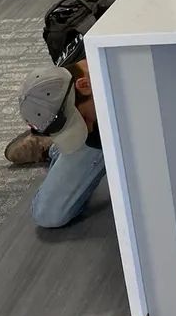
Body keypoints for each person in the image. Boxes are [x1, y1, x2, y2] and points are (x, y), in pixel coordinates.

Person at [7, 59, 106, 229]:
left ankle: (58, 141)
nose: (88, 130)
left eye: (84, 121)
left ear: (85, 85)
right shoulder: (66, 79)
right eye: (80, 124)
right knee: (48, 213)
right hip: (101, 119)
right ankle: (55, 143)